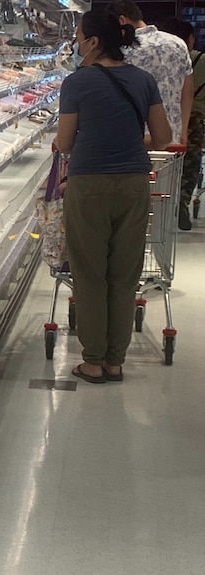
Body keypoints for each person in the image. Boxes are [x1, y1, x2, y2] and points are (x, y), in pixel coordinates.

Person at [56, 10, 172, 384]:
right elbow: (163, 137)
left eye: (78, 38)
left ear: (93, 42)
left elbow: (66, 142)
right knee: (124, 275)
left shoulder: (77, 83)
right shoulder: (143, 80)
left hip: (89, 184)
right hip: (135, 183)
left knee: (90, 274)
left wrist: (71, 142)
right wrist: (128, 142)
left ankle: (92, 361)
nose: (76, 45)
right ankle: (115, 361)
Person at [108, 1, 193, 149]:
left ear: (122, 21)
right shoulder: (178, 43)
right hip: (172, 138)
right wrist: (182, 130)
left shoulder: (123, 51)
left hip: (134, 140)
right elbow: (187, 91)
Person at [159, 17, 204, 230]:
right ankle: (183, 201)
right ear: (191, 39)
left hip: (162, 115)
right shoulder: (201, 60)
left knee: (162, 161)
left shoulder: (162, 57)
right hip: (195, 118)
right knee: (191, 164)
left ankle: (160, 202)